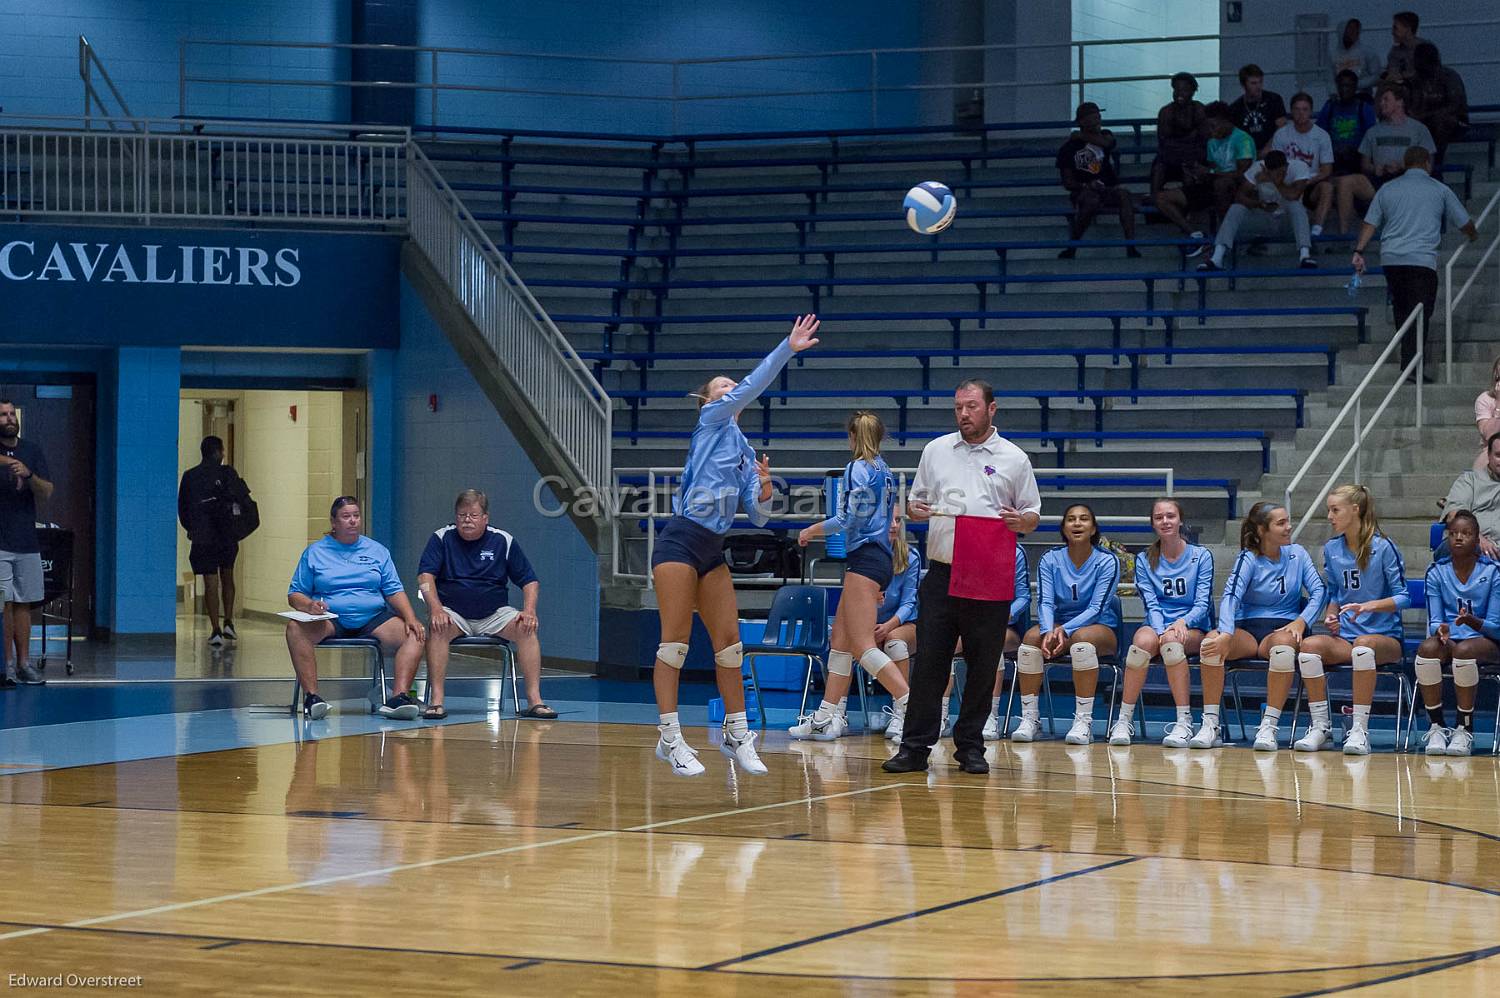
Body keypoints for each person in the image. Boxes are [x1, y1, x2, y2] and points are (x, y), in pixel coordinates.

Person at [652, 314, 821, 777]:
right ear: (709, 401)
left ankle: (736, 733)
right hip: (679, 541)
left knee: (730, 647)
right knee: (675, 645)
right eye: (721, 387)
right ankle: (670, 737)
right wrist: (787, 348)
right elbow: (751, 385)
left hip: (711, 546)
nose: (730, 391)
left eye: (731, 387)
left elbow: (758, 515)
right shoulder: (710, 422)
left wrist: (765, 490)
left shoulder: (745, 451)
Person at [883, 378, 1041, 774]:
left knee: (982, 664)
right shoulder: (935, 450)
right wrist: (916, 510)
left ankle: (971, 747)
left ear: (991, 408)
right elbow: (917, 502)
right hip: (941, 570)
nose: (964, 414)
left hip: (988, 570)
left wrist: (1021, 520)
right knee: (930, 662)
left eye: (971, 406)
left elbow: (1032, 515)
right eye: (958, 407)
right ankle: (914, 747)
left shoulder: (1014, 458)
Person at [791, 410, 909, 741]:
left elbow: (846, 518)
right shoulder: (885, 470)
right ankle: (826, 716)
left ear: (853, 437)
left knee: (861, 645)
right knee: (840, 643)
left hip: (866, 558)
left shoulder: (857, 467)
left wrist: (811, 529)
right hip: (876, 558)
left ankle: (909, 705)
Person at [1192, 502, 1326, 752]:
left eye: (1288, 521)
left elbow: (1319, 591)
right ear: (1262, 531)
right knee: (1211, 642)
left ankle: (1269, 726)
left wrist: (1302, 620)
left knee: (1284, 647)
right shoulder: (1248, 558)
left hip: (1284, 628)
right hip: (1247, 628)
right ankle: (1211, 724)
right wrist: (1225, 633)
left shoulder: (1298, 553)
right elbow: (1231, 596)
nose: (1289, 527)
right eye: (1281, 523)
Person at [285, 496, 427, 720]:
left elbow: (393, 590)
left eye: (356, 516)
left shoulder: (377, 551)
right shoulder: (315, 552)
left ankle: (398, 697)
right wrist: (309, 605)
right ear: (333, 522)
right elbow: (294, 594)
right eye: (346, 517)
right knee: (295, 629)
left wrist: (410, 617)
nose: (352, 521)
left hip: (373, 617)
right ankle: (312, 697)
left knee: (416, 634)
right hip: (330, 619)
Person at [418, 488, 549, 722]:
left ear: (485, 518)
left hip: (494, 613)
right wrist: (436, 609)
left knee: (526, 628)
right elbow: (425, 577)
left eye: (473, 515)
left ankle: (535, 701)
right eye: (462, 515)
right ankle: (436, 701)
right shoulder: (441, 538)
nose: (467, 520)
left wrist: (529, 610)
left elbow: (530, 581)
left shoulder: (503, 540)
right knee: (437, 627)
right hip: (453, 612)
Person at [1298, 485, 1410, 756]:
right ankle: (1321, 726)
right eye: (1329, 510)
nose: (1329, 516)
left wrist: (1371, 605)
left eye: (1335, 510)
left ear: (1355, 510)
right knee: (1309, 647)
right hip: (1347, 636)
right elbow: (1335, 592)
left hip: (1385, 638)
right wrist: (1331, 614)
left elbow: (1404, 596)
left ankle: (1360, 729)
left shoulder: (1383, 547)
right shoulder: (1332, 549)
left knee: (1364, 645)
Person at [1352, 145, 1477, 374]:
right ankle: (1411, 366)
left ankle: (1409, 362)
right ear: (1427, 164)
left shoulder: (1388, 189)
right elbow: (1464, 222)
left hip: (1391, 260)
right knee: (1420, 312)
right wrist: (1474, 235)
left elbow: (1370, 222)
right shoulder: (1439, 189)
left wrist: (1359, 251)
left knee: (1402, 310)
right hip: (1421, 260)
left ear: (1406, 163)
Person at [1013, 504, 1120, 745]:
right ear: (1063, 528)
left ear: (1093, 528)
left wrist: (1064, 630)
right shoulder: (1050, 559)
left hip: (1099, 627)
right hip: (1058, 625)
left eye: (1084, 519)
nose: (1077, 523)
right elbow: (1045, 602)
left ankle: (1084, 721)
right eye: (1071, 519)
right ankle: (1031, 719)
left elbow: (1097, 608)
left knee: (1081, 639)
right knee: (1031, 639)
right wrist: (1048, 630)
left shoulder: (1107, 561)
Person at [1110, 498, 1214, 748]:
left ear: (1180, 520)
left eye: (1170, 516)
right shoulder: (1145, 559)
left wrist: (1181, 622)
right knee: (1142, 643)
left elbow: (1202, 604)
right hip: (1159, 624)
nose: (1165, 521)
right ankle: (1124, 720)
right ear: (1153, 523)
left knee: (1171, 642)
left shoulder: (1201, 556)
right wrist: (1161, 630)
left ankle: (1184, 721)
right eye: (1159, 517)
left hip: (1192, 626)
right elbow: (1151, 604)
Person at [1416, 511, 1499, 757]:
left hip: (1487, 642)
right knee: (1427, 648)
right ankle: (1437, 726)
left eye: (1466, 533)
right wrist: (1440, 630)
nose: (1459, 538)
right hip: (1451, 640)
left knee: (1463, 651)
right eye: (1453, 534)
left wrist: (1471, 621)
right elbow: (1435, 622)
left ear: (1477, 539)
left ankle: (1464, 727)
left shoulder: (1493, 572)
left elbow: (1496, 626)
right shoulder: (1436, 572)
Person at [1334, 83, 1436, 235]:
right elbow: (1365, 165)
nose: (1381, 104)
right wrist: (1376, 168)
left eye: (1386, 99)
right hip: (1379, 180)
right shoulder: (1373, 132)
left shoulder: (1418, 129)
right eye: (1380, 101)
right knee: (1345, 182)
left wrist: (1403, 166)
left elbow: (1429, 165)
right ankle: (1344, 235)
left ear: (1400, 102)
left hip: (1406, 179)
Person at [0, 399, 52, 688]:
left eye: (11, 414)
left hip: (26, 541)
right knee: (3, 603)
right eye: (2, 414)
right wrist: (9, 461)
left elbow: (46, 491)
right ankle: (4, 664)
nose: (8, 418)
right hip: (1, 543)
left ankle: (23, 664)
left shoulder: (32, 450)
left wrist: (28, 473)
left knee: (24, 603)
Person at [1197, 150, 1316, 272]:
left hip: (1288, 221)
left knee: (1296, 206)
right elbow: (1240, 196)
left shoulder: (1299, 167)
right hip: (1265, 219)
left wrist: (1275, 182)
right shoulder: (1256, 169)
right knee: (1236, 208)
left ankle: (1304, 255)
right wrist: (1258, 204)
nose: (1279, 175)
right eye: (1274, 173)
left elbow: (1294, 195)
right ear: (1266, 168)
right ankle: (1217, 257)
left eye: (1281, 172)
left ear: (1286, 166)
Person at [176, 435, 245, 648]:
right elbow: (242, 500)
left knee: (210, 581)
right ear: (218, 452)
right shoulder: (228, 473)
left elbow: (183, 508)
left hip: (203, 536)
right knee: (228, 575)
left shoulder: (190, 476)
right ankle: (229, 622)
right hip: (226, 534)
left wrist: (192, 529)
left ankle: (214, 628)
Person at [1055, 101, 1139, 259]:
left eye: (1098, 117)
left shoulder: (1105, 134)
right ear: (1082, 121)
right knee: (1091, 200)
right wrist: (1087, 185)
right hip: (1084, 190)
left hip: (1108, 188)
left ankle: (1131, 246)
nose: (1098, 120)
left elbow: (1108, 143)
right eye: (1093, 117)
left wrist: (1080, 135)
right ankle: (1073, 246)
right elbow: (1068, 182)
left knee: (1124, 195)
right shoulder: (1067, 149)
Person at [1150, 72, 1211, 250]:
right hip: (1171, 157)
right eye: (1176, 89)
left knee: (1190, 169)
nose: (1180, 93)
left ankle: (1191, 217)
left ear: (1193, 90)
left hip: (1192, 158)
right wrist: (1188, 139)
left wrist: (1185, 146)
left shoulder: (1199, 109)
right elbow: (1164, 142)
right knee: (1160, 164)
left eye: (1184, 89)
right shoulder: (1166, 111)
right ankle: (1156, 196)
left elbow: (1204, 140)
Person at [1315, 70, 1377, 235]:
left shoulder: (1364, 108)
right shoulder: (1329, 107)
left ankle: (1344, 233)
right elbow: (1318, 136)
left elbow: (1371, 139)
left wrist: (1354, 151)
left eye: (1348, 86)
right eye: (1341, 86)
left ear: (1355, 87)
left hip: (1356, 163)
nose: (1344, 90)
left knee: (1345, 184)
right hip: (1333, 164)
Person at [877, 519, 921, 741]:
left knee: (894, 641)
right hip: (869, 623)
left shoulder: (910, 556)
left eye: (898, 520)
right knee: (843, 642)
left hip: (902, 624)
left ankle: (901, 712)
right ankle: (836, 713)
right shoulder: (865, 553)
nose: (893, 525)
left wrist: (888, 626)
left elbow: (909, 602)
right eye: (888, 520)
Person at [1270, 92, 1334, 238]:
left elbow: (1326, 169)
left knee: (1327, 187)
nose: (1301, 113)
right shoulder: (1281, 134)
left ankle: (1316, 229)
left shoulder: (1322, 135)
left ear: (1310, 111)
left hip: (1311, 183)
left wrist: (1306, 181)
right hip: (1287, 182)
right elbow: (1275, 165)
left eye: (1305, 109)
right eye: (1297, 109)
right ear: (1291, 111)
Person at [1407, 43, 1468, 173]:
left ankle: (1436, 160)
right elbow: (1414, 106)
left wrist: (1428, 115)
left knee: (1443, 120)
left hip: (1454, 122)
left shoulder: (1449, 77)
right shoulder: (1416, 80)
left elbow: (1455, 105)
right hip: (1425, 121)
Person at [1442, 433, 1500, 559]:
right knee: (1460, 545)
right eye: (1498, 455)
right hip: (1472, 544)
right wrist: (1477, 539)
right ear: (1489, 456)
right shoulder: (1469, 480)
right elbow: (1454, 515)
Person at [1228, 64, 1287, 153]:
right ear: (1243, 85)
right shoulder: (1236, 108)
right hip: (1248, 154)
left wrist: (1268, 148)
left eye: (1260, 82)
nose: (1258, 86)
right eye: (1253, 83)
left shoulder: (1273, 100)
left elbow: (1281, 127)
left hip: (1273, 151)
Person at [1332, 18, 1383, 98]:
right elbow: (1329, 78)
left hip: (1363, 96)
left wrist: (1356, 84)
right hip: (1340, 97)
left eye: (1355, 29)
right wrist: (1334, 92)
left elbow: (1376, 76)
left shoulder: (1368, 52)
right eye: (1349, 28)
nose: (1352, 32)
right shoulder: (1332, 55)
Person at [1471, 359, 1500, 471]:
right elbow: (1488, 435)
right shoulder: (1485, 399)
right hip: (1493, 451)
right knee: (1482, 466)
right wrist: (1498, 404)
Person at [1383, 11, 1424, 84]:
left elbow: (1429, 73)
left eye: (1395, 28)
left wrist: (1402, 75)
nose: (1392, 32)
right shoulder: (1395, 51)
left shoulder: (1426, 49)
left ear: (1408, 29)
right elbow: (1392, 75)